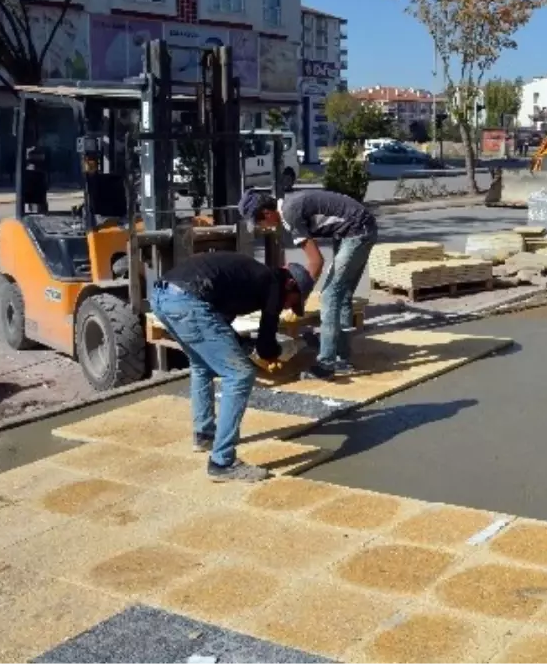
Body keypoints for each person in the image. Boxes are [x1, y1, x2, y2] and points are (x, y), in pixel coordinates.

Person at [150, 251, 315, 482]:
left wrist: (247, 346)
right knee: (240, 374)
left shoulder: (249, 276)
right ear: (290, 284)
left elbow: (220, 326)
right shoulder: (274, 285)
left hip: (162, 296)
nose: (287, 307)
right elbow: (266, 348)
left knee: (202, 366)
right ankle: (222, 462)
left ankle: (205, 434)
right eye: (293, 302)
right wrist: (285, 350)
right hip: (189, 300)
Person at [239, 187, 378, 380]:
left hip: (356, 231)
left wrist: (298, 298)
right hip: (356, 228)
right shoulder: (289, 206)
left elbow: (316, 261)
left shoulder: (289, 214)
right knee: (342, 293)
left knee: (329, 295)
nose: (263, 228)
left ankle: (326, 363)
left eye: (260, 223)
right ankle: (342, 358)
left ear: (267, 213)